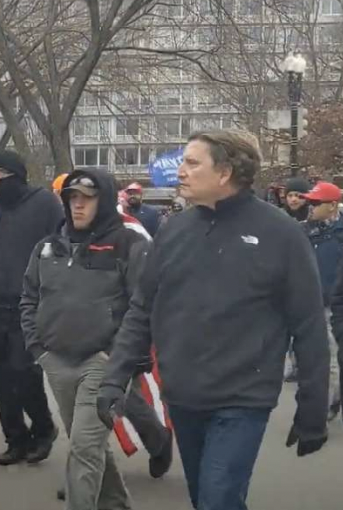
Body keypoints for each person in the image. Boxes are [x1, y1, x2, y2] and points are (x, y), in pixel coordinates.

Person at [99, 129, 328, 510]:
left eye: (192, 163)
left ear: (224, 172)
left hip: (243, 398)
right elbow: (142, 309)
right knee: (206, 498)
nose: (181, 172)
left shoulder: (282, 234)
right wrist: (114, 378)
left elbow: (308, 326)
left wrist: (313, 409)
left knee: (217, 499)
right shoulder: (174, 231)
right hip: (184, 395)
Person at [20, 169, 144, 510]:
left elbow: (143, 307)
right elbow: (29, 298)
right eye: (72, 198)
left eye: (86, 199)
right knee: (88, 445)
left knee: (84, 449)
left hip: (103, 364)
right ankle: (116, 504)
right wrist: (38, 349)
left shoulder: (128, 244)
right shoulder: (48, 247)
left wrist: (114, 357)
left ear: (103, 201)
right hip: (56, 361)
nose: (78, 206)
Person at [0, 150, 60, 466]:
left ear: (18, 177)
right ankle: (15, 439)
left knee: (24, 371)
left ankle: (44, 428)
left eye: (2, 177)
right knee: (0, 377)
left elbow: (62, 245)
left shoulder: (45, 204)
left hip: (30, 304)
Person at [302, 181, 343, 420]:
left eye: (316, 203)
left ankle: (330, 402)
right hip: (313, 303)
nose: (311, 206)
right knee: (323, 358)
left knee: (333, 358)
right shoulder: (304, 230)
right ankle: (329, 402)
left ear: (332, 205)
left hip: (335, 304)